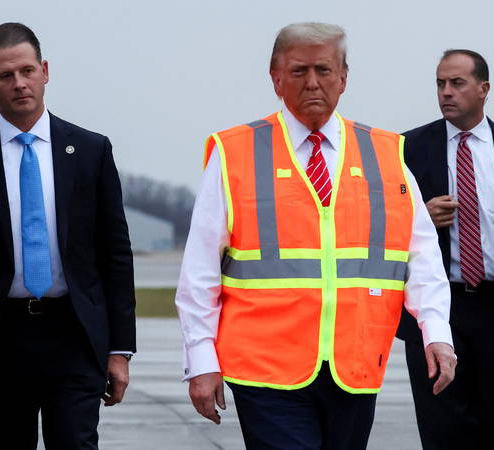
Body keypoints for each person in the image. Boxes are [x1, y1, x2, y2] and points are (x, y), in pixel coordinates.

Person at [176, 22, 456, 449]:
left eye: (324, 70)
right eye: (298, 71)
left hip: (355, 366)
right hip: (264, 370)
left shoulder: (385, 154)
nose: (312, 83)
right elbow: (200, 271)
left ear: (344, 77)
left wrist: (436, 332)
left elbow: (419, 257)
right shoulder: (236, 153)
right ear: (275, 78)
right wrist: (200, 358)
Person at [0, 23, 136, 449]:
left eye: (27, 71)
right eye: (5, 76)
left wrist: (120, 349)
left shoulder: (91, 150)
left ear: (45, 71)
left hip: (74, 332)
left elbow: (116, 255)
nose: (19, 84)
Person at [396, 49, 494, 449]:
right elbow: (375, 229)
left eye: (457, 83)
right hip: (435, 307)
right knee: (443, 427)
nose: (445, 92)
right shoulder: (406, 150)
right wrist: (419, 217)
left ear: (484, 89)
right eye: (440, 83)